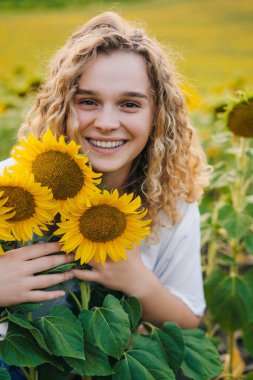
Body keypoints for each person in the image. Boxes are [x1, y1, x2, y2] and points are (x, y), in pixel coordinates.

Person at [0, 11, 210, 330]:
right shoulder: (11, 185)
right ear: (59, 105)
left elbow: (189, 319)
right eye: (87, 102)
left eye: (129, 104)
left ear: (158, 115)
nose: (107, 123)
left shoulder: (171, 201)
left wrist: (139, 283)